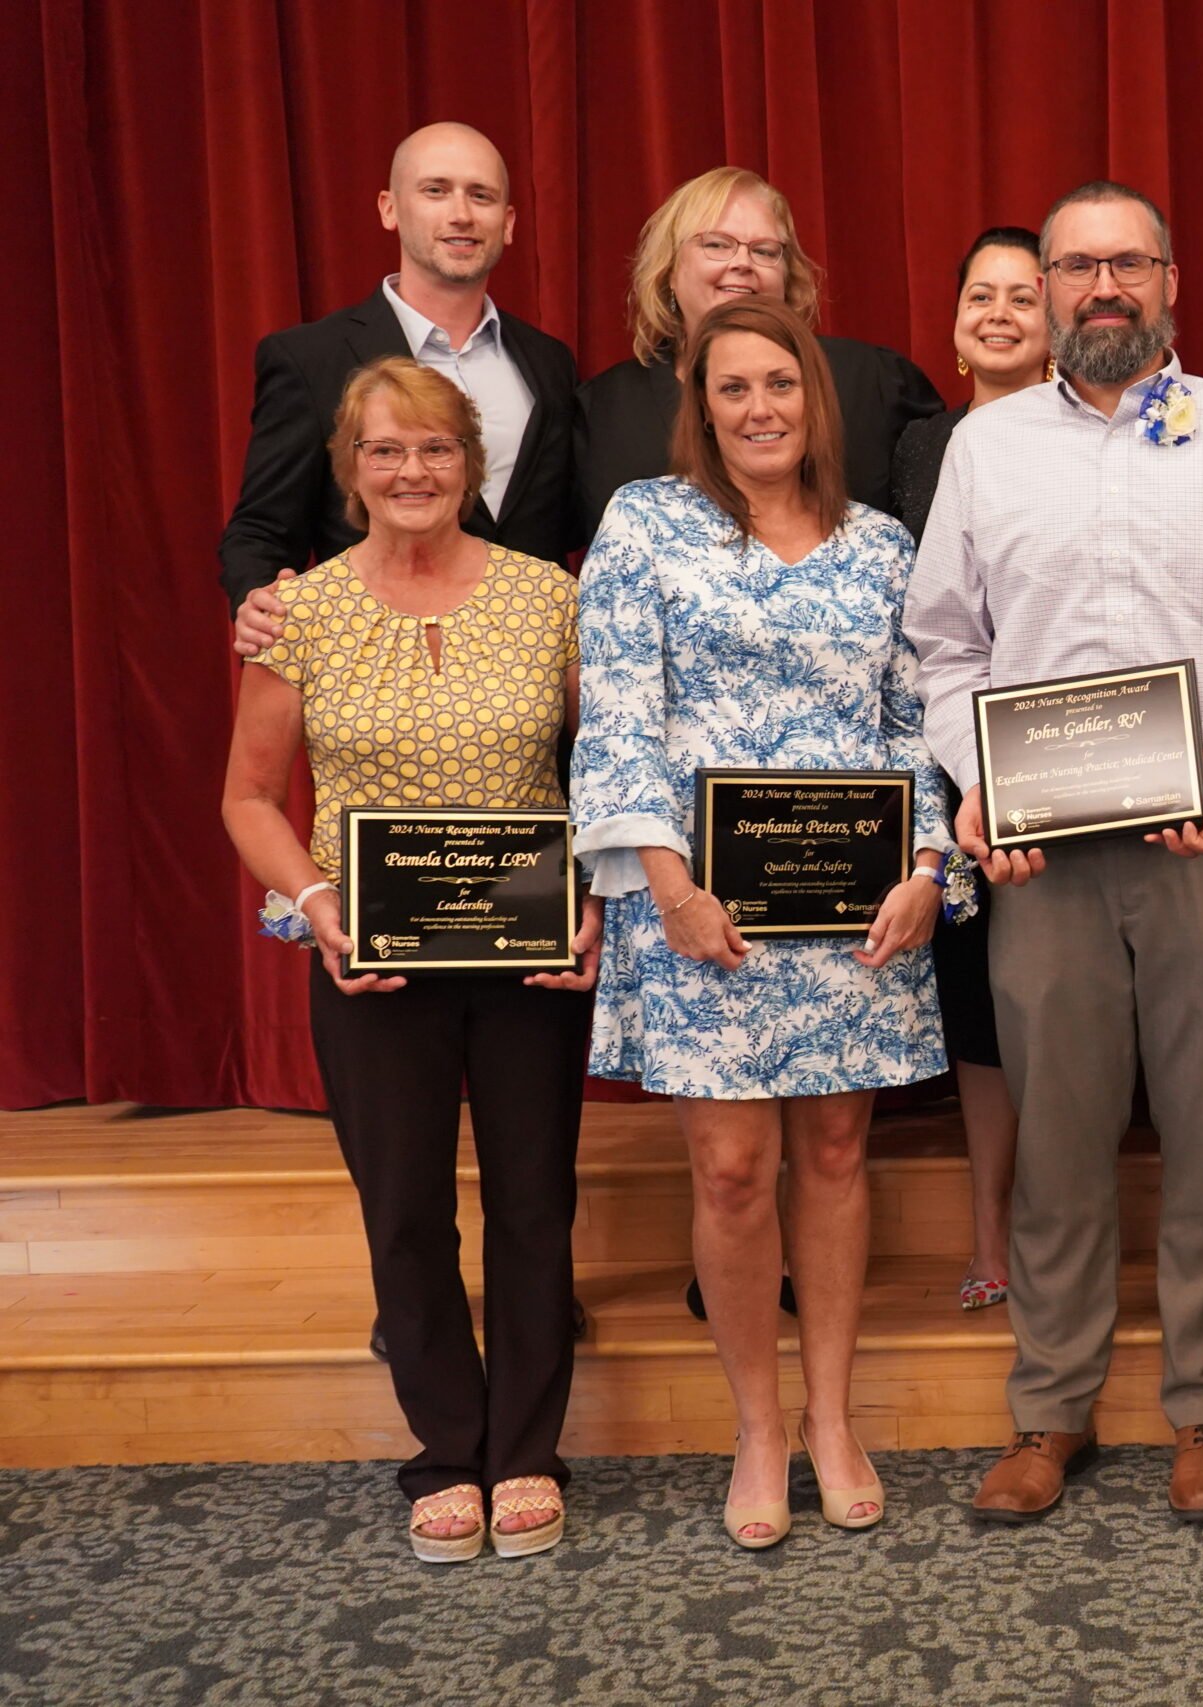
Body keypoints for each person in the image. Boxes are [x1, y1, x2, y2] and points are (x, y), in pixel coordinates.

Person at [906, 181, 1203, 1526]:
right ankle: (1049, 1405)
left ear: (1171, 280)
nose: (1103, 287)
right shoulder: (986, 451)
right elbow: (945, 646)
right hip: (1042, 852)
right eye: (1076, 266)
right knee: (1057, 1129)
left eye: (1128, 264)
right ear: (1042, 287)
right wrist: (978, 776)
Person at [572, 297, 950, 1548]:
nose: (759, 408)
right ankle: (756, 1424)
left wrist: (930, 866)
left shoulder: (884, 546)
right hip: (700, 910)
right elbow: (618, 718)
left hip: (856, 914)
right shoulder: (644, 525)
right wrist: (666, 888)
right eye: (732, 388)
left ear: (814, 398)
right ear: (702, 405)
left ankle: (831, 1416)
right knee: (733, 1171)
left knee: (837, 1155)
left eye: (779, 383)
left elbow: (917, 727)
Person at [221, 358, 596, 1563]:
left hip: (531, 954)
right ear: (350, 471)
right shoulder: (302, 612)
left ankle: (527, 1453)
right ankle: (445, 1451)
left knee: (537, 1209)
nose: (413, 471)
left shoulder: (551, 597)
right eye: (386, 451)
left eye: (435, 449)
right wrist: (318, 903)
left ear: (470, 465)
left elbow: (608, 770)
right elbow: (246, 800)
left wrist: (596, 898)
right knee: (406, 1214)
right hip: (370, 963)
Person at [222, 122, 578, 656]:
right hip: (378, 689)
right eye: (436, 190)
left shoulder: (549, 363)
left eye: (480, 195)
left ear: (507, 224)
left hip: (534, 695)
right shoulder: (310, 360)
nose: (461, 213)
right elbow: (262, 530)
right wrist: (256, 600)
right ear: (389, 209)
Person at [888, 225, 1052, 1312]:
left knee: (1059, 993)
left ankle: (1058, 1223)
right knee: (981, 1006)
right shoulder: (910, 451)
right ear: (953, 328)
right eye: (978, 295)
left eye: (1020, 298)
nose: (997, 313)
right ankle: (994, 1224)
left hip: (1069, 754)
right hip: (943, 758)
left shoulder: (1100, 438)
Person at [573, 165, 945, 547]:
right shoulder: (603, 409)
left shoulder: (873, 382)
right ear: (669, 269)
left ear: (788, 275)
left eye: (764, 251)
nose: (742, 263)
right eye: (717, 244)